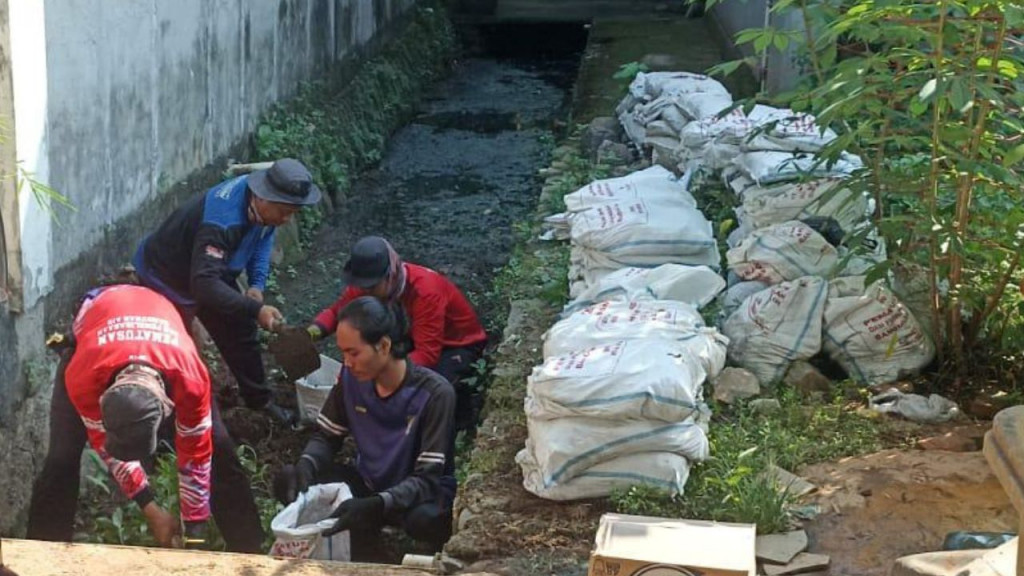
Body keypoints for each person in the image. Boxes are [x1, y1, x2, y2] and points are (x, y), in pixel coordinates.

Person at [26, 284, 265, 552]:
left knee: (218, 447)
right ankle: (42, 557)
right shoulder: (82, 376)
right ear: (103, 402)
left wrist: (193, 538)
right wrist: (152, 511)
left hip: (161, 341)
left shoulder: (189, 377)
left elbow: (195, 458)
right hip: (98, 341)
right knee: (61, 459)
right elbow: (105, 444)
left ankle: (250, 553)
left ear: (167, 407)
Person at [133, 158, 322, 424]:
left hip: (209, 267)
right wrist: (257, 310)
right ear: (263, 197)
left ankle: (260, 401)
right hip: (167, 275)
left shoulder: (264, 206)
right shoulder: (222, 222)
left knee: (240, 327)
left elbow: (261, 240)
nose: (287, 218)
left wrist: (256, 286)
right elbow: (205, 286)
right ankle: (170, 420)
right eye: (284, 211)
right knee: (177, 352)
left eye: (293, 212)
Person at [275, 296, 456, 554]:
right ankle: (365, 544)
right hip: (370, 484)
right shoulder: (351, 379)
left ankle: (427, 553)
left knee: (425, 519)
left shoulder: (435, 394)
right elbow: (327, 437)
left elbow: (427, 478)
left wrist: (377, 504)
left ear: (383, 345)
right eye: (342, 352)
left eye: (353, 352)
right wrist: (306, 464)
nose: (346, 362)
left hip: (419, 494)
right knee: (300, 483)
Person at [307, 236, 487, 432]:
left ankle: (447, 428)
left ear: (390, 276)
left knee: (428, 394)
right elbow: (337, 312)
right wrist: (313, 332)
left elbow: (427, 354)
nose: (366, 293)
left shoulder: (425, 292)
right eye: (363, 287)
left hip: (455, 345)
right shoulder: (366, 287)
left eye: (372, 287)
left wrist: (381, 373)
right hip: (411, 336)